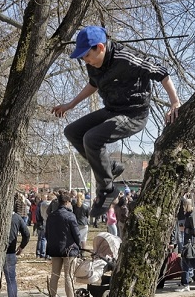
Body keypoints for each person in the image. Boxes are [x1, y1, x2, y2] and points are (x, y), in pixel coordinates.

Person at [52, 26, 181, 217]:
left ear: (101, 47)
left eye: (87, 55)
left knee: (92, 138)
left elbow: (162, 73)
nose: (85, 60)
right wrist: (70, 105)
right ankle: (110, 168)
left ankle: (107, 190)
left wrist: (174, 102)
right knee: (72, 131)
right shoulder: (93, 64)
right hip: (111, 110)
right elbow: (93, 84)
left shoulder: (126, 59)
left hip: (133, 114)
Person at [45, 192, 81, 297]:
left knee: (54, 275)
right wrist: (79, 246)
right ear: (67, 202)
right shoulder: (70, 216)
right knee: (68, 276)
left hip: (55, 249)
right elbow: (76, 234)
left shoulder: (51, 216)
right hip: (69, 250)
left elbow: (47, 234)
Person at [4, 210, 30, 297]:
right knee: (11, 281)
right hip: (10, 252)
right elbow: (27, 234)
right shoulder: (16, 218)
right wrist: (21, 246)